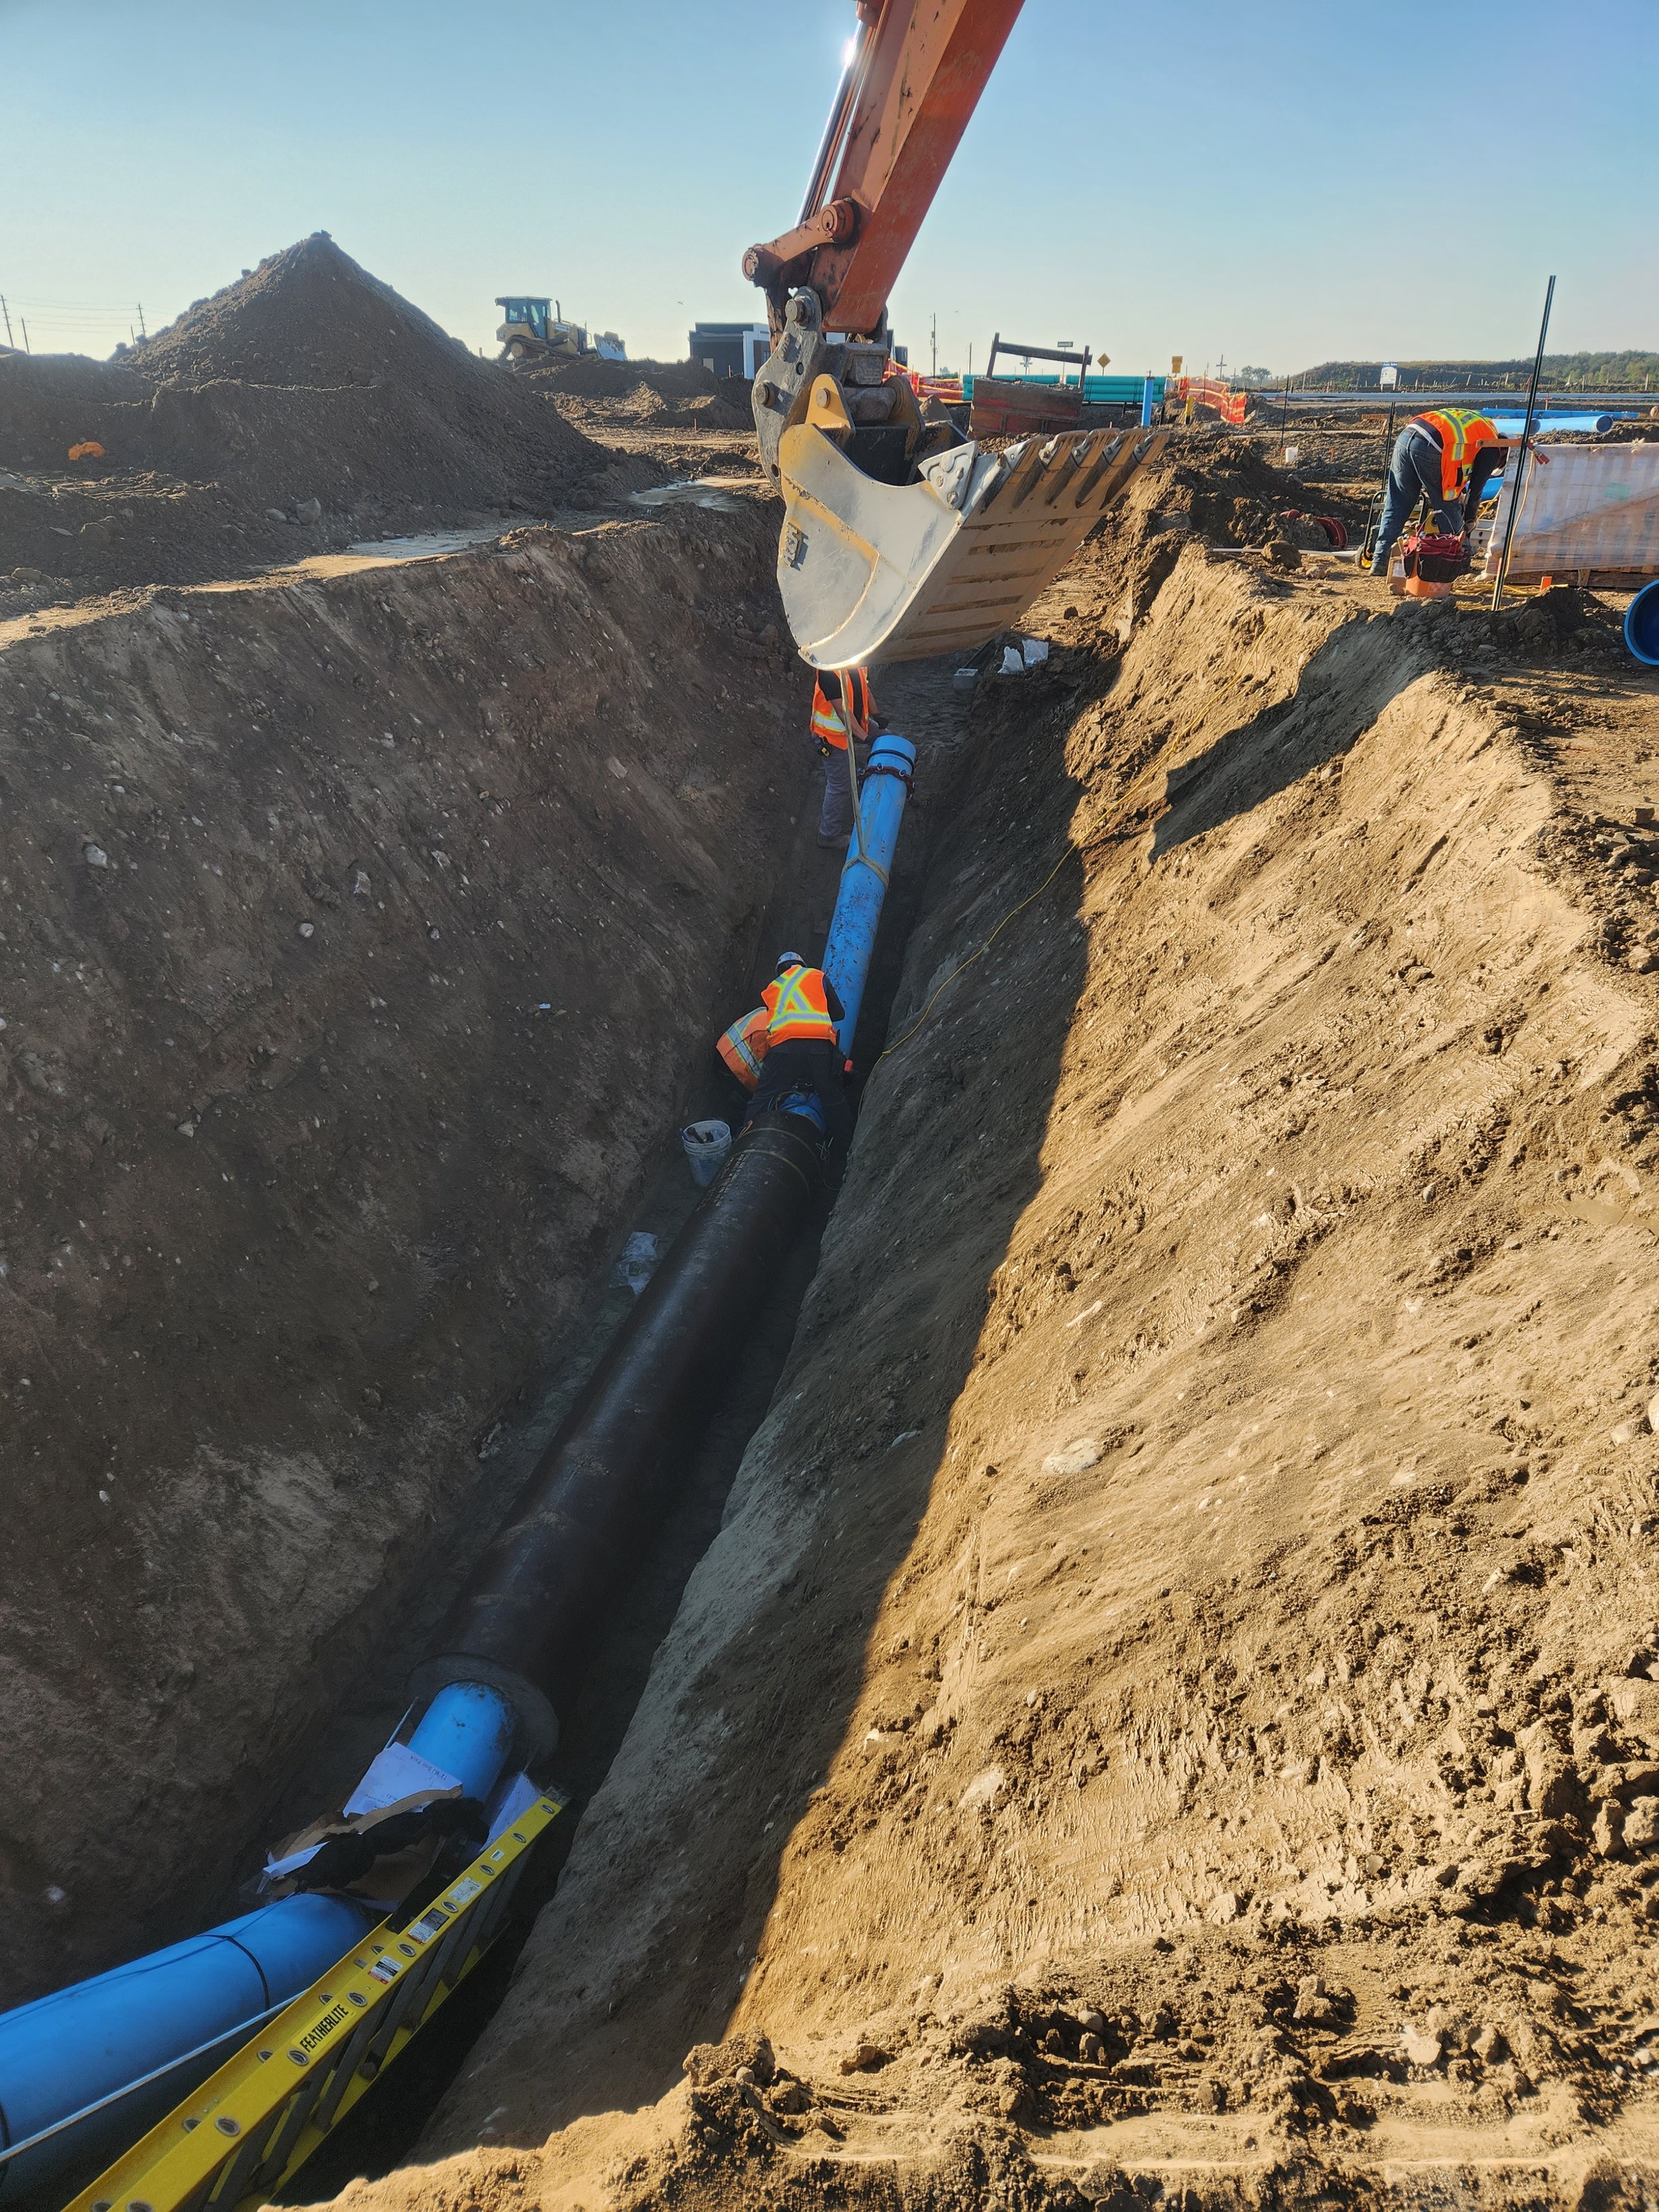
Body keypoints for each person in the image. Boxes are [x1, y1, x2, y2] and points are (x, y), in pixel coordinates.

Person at [1368, 406, 1521, 583]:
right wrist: (1468, 523)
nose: (1495, 465)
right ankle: (1462, 563)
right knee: (1447, 506)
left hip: (1407, 436)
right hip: (1432, 445)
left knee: (1398, 503)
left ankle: (1380, 560)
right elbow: (1475, 494)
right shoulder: (1493, 448)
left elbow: (1461, 469)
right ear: (1503, 452)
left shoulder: (1480, 427)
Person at [746, 950, 854, 1169]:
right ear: (802, 965)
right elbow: (839, 1014)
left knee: (763, 1096)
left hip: (783, 1050)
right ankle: (848, 1153)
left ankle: (744, 1141)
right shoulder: (817, 976)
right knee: (833, 1098)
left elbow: (774, 1020)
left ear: (779, 972)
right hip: (819, 1049)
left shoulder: (772, 989)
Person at [810, 666, 876, 848]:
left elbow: (866, 690)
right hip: (831, 737)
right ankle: (828, 835)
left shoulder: (858, 663)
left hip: (854, 727)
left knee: (885, 735)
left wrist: (878, 715)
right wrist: (866, 738)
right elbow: (842, 712)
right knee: (841, 785)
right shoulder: (828, 671)